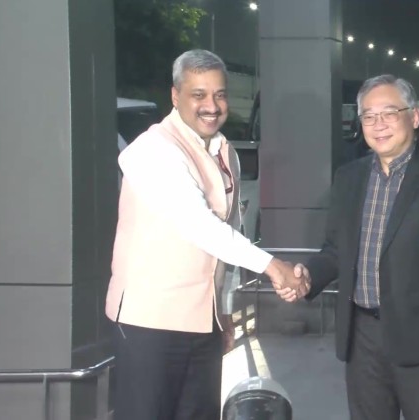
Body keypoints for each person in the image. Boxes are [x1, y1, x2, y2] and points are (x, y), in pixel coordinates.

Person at [105, 49, 306, 420]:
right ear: (175, 96)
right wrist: (273, 266)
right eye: (198, 94)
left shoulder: (224, 152)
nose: (211, 106)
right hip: (150, 323)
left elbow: (228, 234)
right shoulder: (153, 149)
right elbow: (197, 223)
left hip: (203, 321)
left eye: (220, 94)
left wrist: (223, 311)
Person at [277, 74, 419, 420]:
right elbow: (336, 250)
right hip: (362, 337)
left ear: (414, 117)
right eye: (368, 116)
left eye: (388, 113)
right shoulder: (348, 178)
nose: (378, 124)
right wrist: (308, 276)